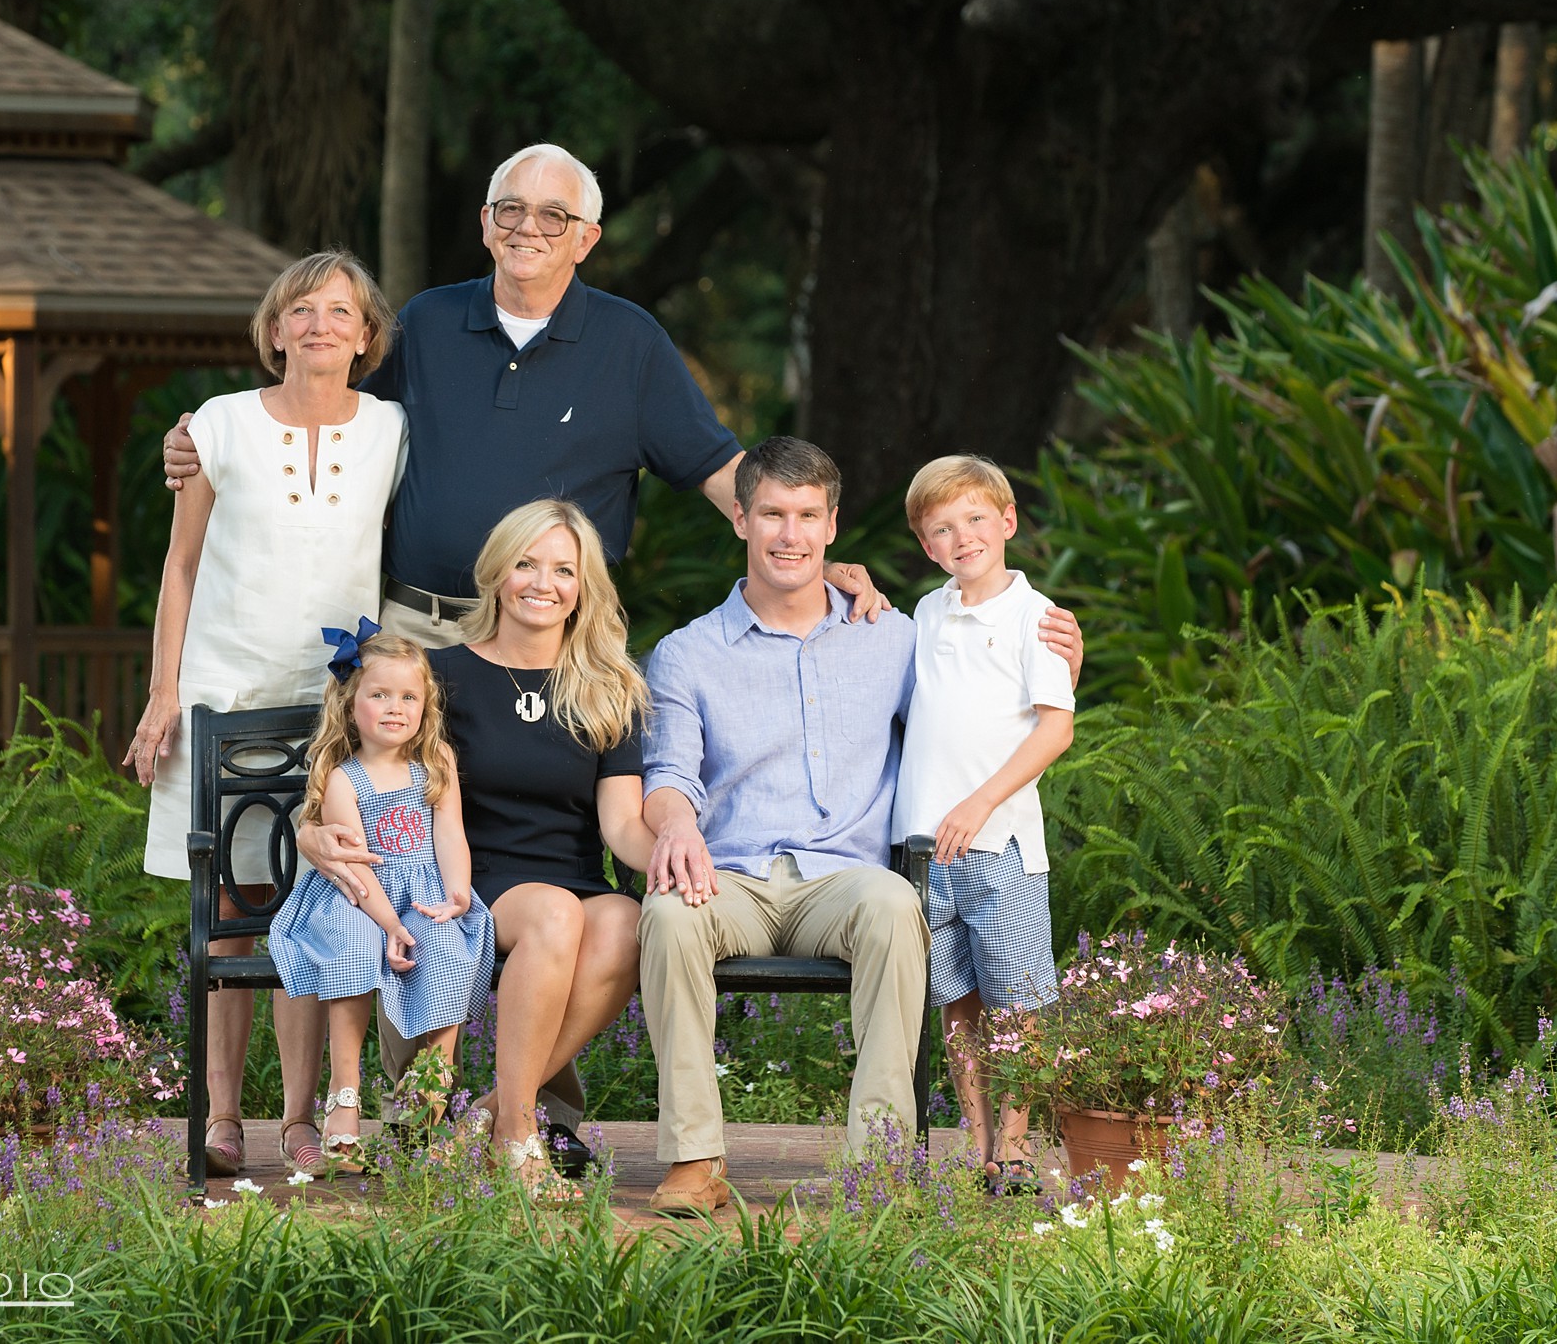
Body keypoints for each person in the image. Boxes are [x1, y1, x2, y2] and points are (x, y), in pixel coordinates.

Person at [164, 142, 935, 1168]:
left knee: (559, 859)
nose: (529, 228)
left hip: (566, 628)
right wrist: (210, 440)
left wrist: (801, 549)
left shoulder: (629, 343)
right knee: (410, 852)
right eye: (509, 210)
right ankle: (423, 1110)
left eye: (553, 217)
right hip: (422, 628)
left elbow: (715, 467)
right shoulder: (432, 323)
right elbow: (322, 392)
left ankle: (527, 1113)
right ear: (484, 222)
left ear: (589, 237)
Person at [635, 437, 1083, 1215]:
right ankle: (694, 1158)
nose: (789, 533)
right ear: (739, 517)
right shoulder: (685, 654)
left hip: (845, 878)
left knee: (892, 905)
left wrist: (1060, 668)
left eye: (808, 515)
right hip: (731, 874)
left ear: (833, 525)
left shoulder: (895, 636)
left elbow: (977, 697)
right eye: (771, 513)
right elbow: (669, 771)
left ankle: (876, 1167)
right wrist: (674, 823)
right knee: (670, 915)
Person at [124, 250, 404, 1178]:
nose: (319, 324)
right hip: (224, 695)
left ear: (367, 337)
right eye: (300, 309)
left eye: (339, 311)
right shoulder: (220, 425)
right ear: (274, 328)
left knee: (310, 903)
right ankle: (219, 1113)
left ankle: (297, 1118)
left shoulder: (391, 431)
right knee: (232, 911)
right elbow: (181, 564)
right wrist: (166, 690)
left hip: (332, 705)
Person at [300, 498, 656, 1204]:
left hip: (573, 879)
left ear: (584, 585)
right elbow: (348, 768)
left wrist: (675, 849)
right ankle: (519, 1133)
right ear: (496, 571)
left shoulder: (609, 685)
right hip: (463, 881)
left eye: (563, 568)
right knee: (557, 914)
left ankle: (484, 1114)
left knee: (627, 919)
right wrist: (311, 830)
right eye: (526, 563)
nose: (542, 582)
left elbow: (622, 824)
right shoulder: (438, 674)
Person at [893, 455, 1076, 1194]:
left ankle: (1018, 1144)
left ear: (1006, 522)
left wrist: (977, 802)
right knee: (956, 1000)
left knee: (1017, 1000)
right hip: (925, 848)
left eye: (975, 519)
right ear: (927, 546)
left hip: (999, 843)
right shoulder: (928, 614)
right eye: (941, 528)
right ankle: (977, 1149)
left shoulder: (1041, 618)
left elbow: (1054, 728)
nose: (961, 535)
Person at [268, 634, 495, 1171]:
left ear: (426, 706)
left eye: (408, 698)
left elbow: (450, 835)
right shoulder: (344, 775)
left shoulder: (435, 760)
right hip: (357, 895)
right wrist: (390, 923)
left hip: (422, 890)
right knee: (354, 947)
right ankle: (345, 1099)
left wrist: (458, 892)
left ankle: (427, 1106)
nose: (395, 708)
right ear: (350, 704)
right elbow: (352, 868)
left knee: (445, 948)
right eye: (379, 695)